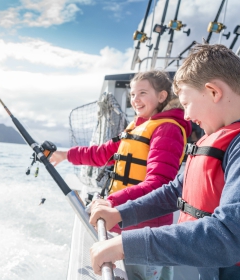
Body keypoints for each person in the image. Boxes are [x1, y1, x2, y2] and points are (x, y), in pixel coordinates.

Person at [89, 43, 240, 280]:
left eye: (186, 104)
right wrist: (121, 213)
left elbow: (230, 237)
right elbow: (174, 191)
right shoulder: (214, 138)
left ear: (214, 92)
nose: (186, 116)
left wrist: (129, 245)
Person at [50, 70, 191, 279]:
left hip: (146, 227)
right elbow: (101, 154)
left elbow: (159, 184)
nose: (135, 100)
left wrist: (112, 202)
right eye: (133, 94)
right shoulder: (137, 126)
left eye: (142, 93)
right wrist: (64, 154)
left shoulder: (167, 129)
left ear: (162, 96)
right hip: (124, 220)